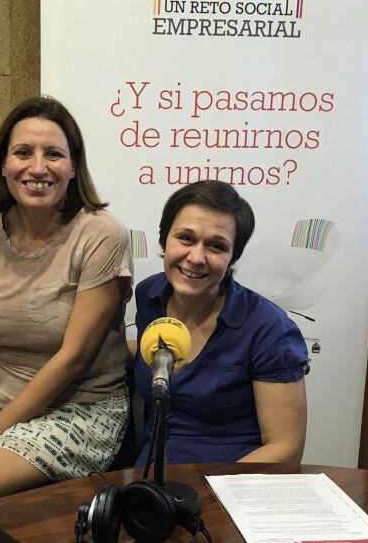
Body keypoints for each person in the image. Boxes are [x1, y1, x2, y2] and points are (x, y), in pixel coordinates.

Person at [0, 96, 133, 509]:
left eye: (54, 155)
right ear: (4, 165)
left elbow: (73, 359)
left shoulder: (101, 234)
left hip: (82, 408)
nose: (38, 168)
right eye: (23, 153)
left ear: (74, 166)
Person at [132, 180, 308, 467]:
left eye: (216, 246)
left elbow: (285, 449)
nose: (197, 258)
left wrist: (210, 490)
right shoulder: (149, 295)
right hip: (149, 478)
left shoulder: (268, 328)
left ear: (232, 257)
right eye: (186, 238)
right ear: (165, 240)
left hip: (230, 486)